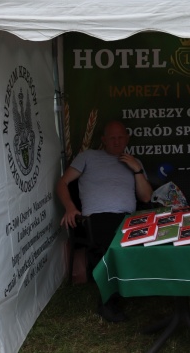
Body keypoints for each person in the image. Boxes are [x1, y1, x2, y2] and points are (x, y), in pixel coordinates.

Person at [58, 120, 153, 322]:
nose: (116, 141)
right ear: (103, 140)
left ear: (127, 138)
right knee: (111, 242)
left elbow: (146, 197)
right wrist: (70, 207)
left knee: (134, 236)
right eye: (112, 138)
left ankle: (129, 289)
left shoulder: (134, 162)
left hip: (126, 217)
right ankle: (107, 302)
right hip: (97, 217)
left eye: (120, 137)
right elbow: (62, 182)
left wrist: (137, 169)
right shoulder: (88, 157)